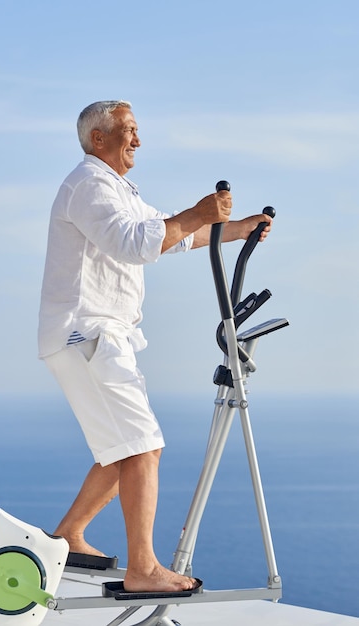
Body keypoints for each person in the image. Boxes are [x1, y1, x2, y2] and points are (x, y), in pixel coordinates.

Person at [38, 100, 272, 594]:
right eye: (128, 130)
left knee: (122, 449)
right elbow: (132, 244)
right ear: (98, 139)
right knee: (143, 447)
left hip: (98, 336)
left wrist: (235, 229)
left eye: (137, 130)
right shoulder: (88, 185)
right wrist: (194, 214)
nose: (137, 140)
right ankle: (144, 569)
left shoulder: (117, 189)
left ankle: (68, 534)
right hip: (88, 333)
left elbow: (173, 236)